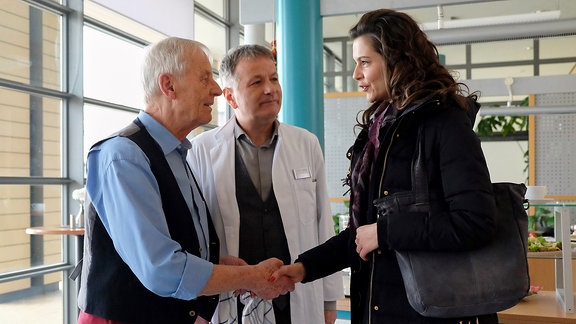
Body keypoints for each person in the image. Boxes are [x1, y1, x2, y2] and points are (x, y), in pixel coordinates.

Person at [272, 9, 499, 324]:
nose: (356, 75)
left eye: (365, 62)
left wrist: (386, 232)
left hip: (434, 313)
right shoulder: (380, 133)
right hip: (379, 309)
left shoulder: (446, 125)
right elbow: (364, 233)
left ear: (399, 61)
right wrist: (303, 267)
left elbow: (475, 222)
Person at [76, 37, 292, 324]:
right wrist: (250, 277)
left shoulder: (177, 153)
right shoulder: (123, 156)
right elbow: (162, 269)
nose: (216, 90)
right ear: (169, 86)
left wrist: (220, 267)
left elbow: (178, 242)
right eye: (205, 78)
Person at [188, 44, 344, 324]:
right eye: (256, 82)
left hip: (295, 298)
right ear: (230, 96)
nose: (270, 89)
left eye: (273, 78)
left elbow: (323, 226)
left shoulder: (305, 143)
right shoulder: (200, 150)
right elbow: (196, 238)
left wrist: (329, 301)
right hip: (231, 300)